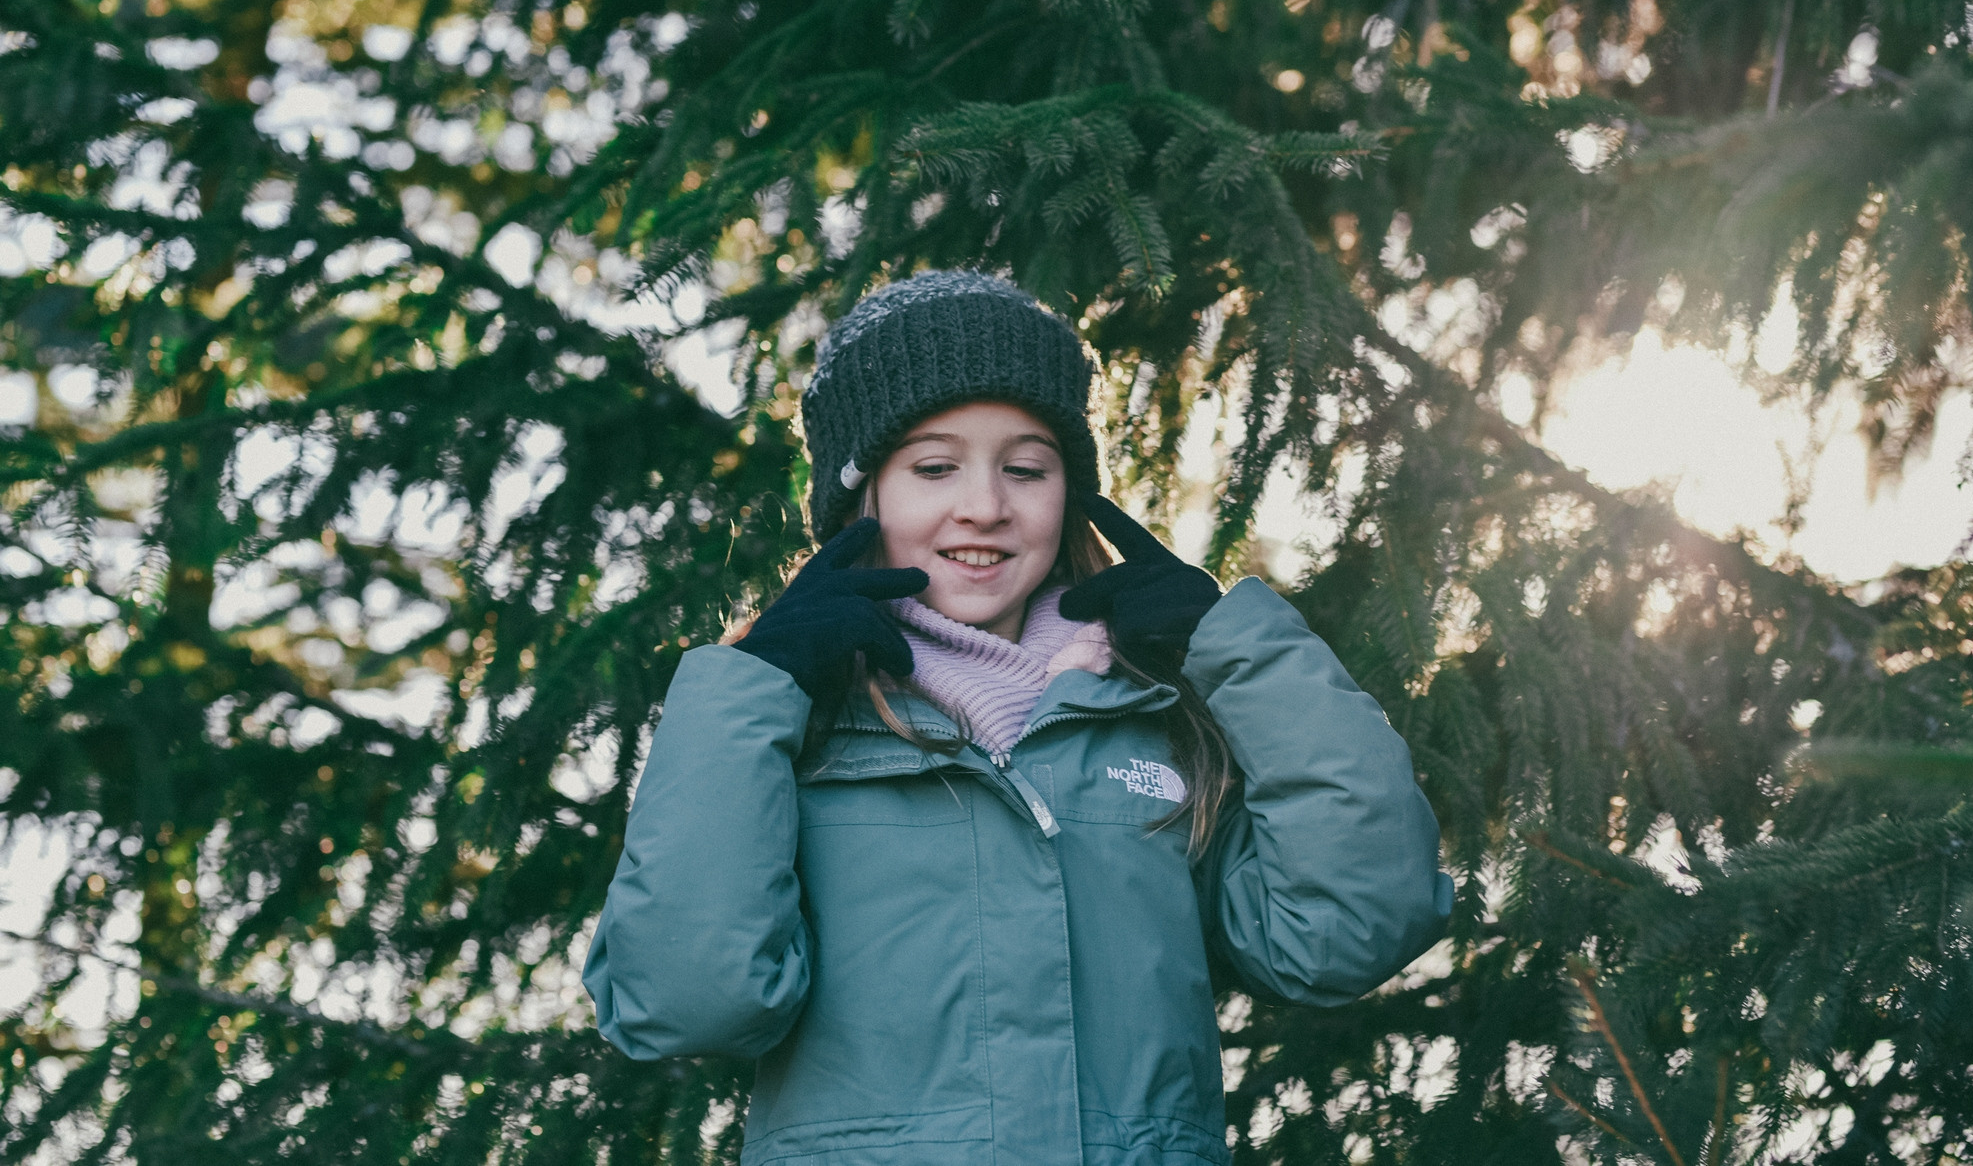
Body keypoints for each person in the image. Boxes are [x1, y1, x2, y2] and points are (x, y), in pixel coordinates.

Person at [583, 270, 1454, 1166]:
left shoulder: (1159, 715)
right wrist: (755, 689)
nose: (986, 506)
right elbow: (685, 1000)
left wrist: (1239, 650)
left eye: (1027, 468)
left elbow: (1353, 928)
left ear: (1070, 491)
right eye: (933, 467)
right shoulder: (790, 730)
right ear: (858, 497)